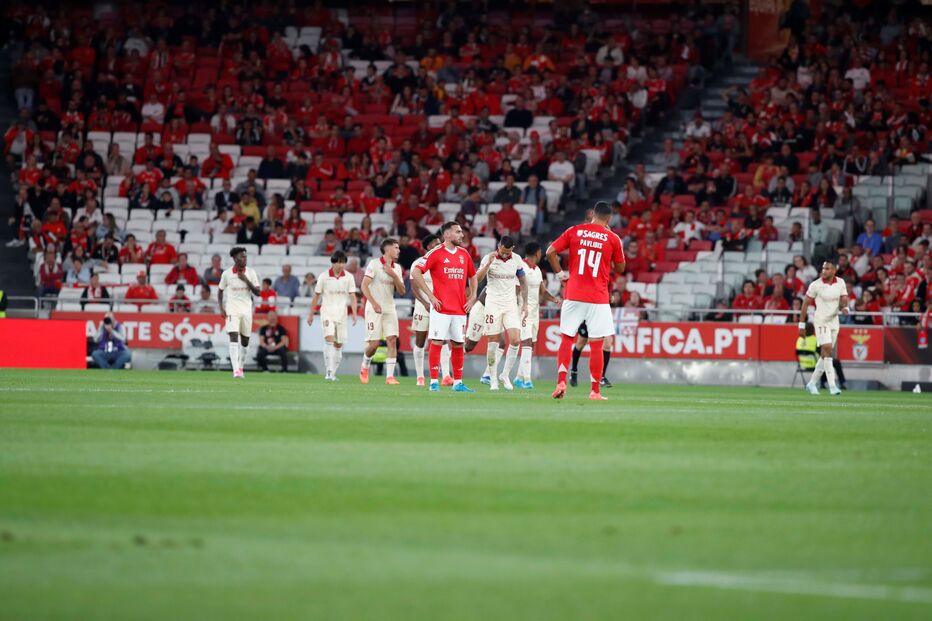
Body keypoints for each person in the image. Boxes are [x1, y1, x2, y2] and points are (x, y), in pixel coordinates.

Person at [545, 201, 625, 400]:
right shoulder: (612, 238)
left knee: (566, 338)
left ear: (592, 215)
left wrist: (560, 275)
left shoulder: (575, 231)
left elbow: (550, 252)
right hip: (598, 297)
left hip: (573, 293)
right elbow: (621, 268)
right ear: (609, 218)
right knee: (597, 343)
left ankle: (561, 381)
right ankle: (595, 391)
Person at [410, 221, 479, 392]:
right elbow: (415, 272)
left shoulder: (464, 254)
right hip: (441, 308)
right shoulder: (436, 253)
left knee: (457, 344)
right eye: (458, 232)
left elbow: (473, 275)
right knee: (437, 342)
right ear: (447, 235)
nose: (462, 235)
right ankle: (433, 382)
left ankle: (457, 383)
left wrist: (474, 296)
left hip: (460, 309)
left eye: (461, 232)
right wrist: (431, 296)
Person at [474, 236, 528, 390]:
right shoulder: (488, 258)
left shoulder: (516, 259)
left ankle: (504, 375)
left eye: (508, 252)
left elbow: (523, 281)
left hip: (510, 304)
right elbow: (477, 279)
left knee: (516, 340)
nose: (505, 255)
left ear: (513, 249)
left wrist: (524, 304)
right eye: (503, 252)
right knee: (493, 340)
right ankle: (492, 379)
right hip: (492, 304)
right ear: (499, 247)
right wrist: (488, 264)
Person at [799, 261, 849, 396]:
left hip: (834, 321)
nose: (824, 271)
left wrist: (844, 307)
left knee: (825, 354)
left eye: (827, 268)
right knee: (827, 349)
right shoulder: (816, 285)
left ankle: (811, 383)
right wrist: (801, 324)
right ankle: (833, 386)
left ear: (834, 270)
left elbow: (844, 298)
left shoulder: (841, 282)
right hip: (821, 321)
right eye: (823, 268)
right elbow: (805, 304)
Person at [359, 239, 405, 385]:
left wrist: (394, 275)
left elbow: (402, 291)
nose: (399, 250)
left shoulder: (397, 268)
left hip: (390, 308)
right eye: (396, 248)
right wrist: (373, 303)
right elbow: (364, 286)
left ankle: (389, 377)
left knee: (392, 340)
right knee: (374, 344)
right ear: (388, 249)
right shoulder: (374, 264)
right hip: (374, 308)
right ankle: (365, 365)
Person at [307, 251, 358, 381]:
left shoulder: (349, 277)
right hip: (327, 313)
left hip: (342, 314)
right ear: (333, 262)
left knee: (339, 345)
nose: (341, 265)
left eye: (343, 262)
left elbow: (353, 296)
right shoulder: (324, 277)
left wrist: (354, 313)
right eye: (339, 262)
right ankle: (328, 372)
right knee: (329, 340)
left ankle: (333, 373)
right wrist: (311, 314)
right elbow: (316, 296)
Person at [515, 242, 559, 389]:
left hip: (534, 313)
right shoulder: (520, 266)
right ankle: (527, 380)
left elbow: (542, 290)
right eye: (540, 252)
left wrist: (554, 299)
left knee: (531, 345)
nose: (541, 255)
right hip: (522, 311)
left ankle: (518, 377)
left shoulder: (538, 270)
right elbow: (515, 288)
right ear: (537, 253)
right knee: (526, 343)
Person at [409, 234, 452, 386]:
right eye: (435, 243)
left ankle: (446, 375)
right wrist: (425, 303)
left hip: (440, 307)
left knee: (444, 340)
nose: (438, 245)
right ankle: (420, 376)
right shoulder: (418, 263)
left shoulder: (444, 262)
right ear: (427, 247)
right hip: (423, 307)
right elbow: (414, 288)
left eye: (439, 242)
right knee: (420, 341)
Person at [218, 246, 261, 379]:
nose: (245, 258)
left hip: (246, 310)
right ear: (235, 258)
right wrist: (221, 307)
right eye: (242, 256)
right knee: (233, 336)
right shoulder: (226, 274)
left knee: (245, 341)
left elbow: (258, 293)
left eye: (245, 256)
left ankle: (241, 366)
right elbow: (220, 291)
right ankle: (236, 371)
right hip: (232, 309)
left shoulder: (251, 272)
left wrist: (245, 280)